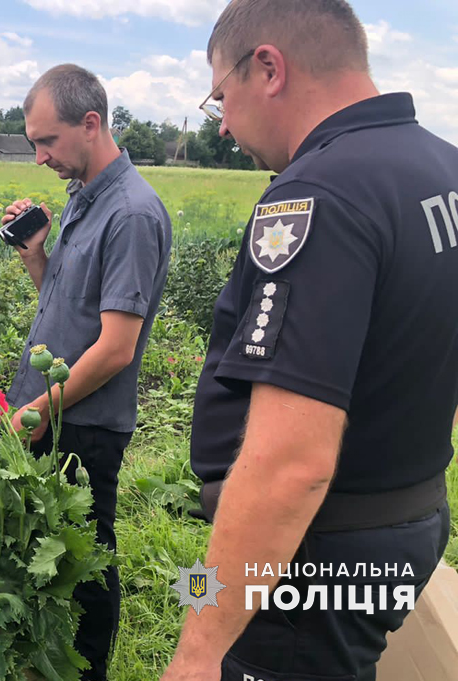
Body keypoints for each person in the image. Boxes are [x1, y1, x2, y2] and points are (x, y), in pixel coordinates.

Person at [162, 1, 458, 680]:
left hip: (311, 552)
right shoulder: (444, 167)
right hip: (408, 517)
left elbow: (292, 462)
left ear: (268, 67)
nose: (226, 125)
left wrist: (197, 654)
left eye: (220, 98)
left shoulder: (319, 193)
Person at [3, 64, 172, 680]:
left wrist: (41, 408)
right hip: (54, 407)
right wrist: (36, 255)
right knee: (49, 553)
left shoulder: (131, 215)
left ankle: (89, 671)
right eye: (34, 144)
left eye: (47, 141)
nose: (41, 156)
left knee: (88, 561)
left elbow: (116, 348)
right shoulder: (83, 199)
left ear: (91, 123)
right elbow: (67, 306)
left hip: (86, 418)